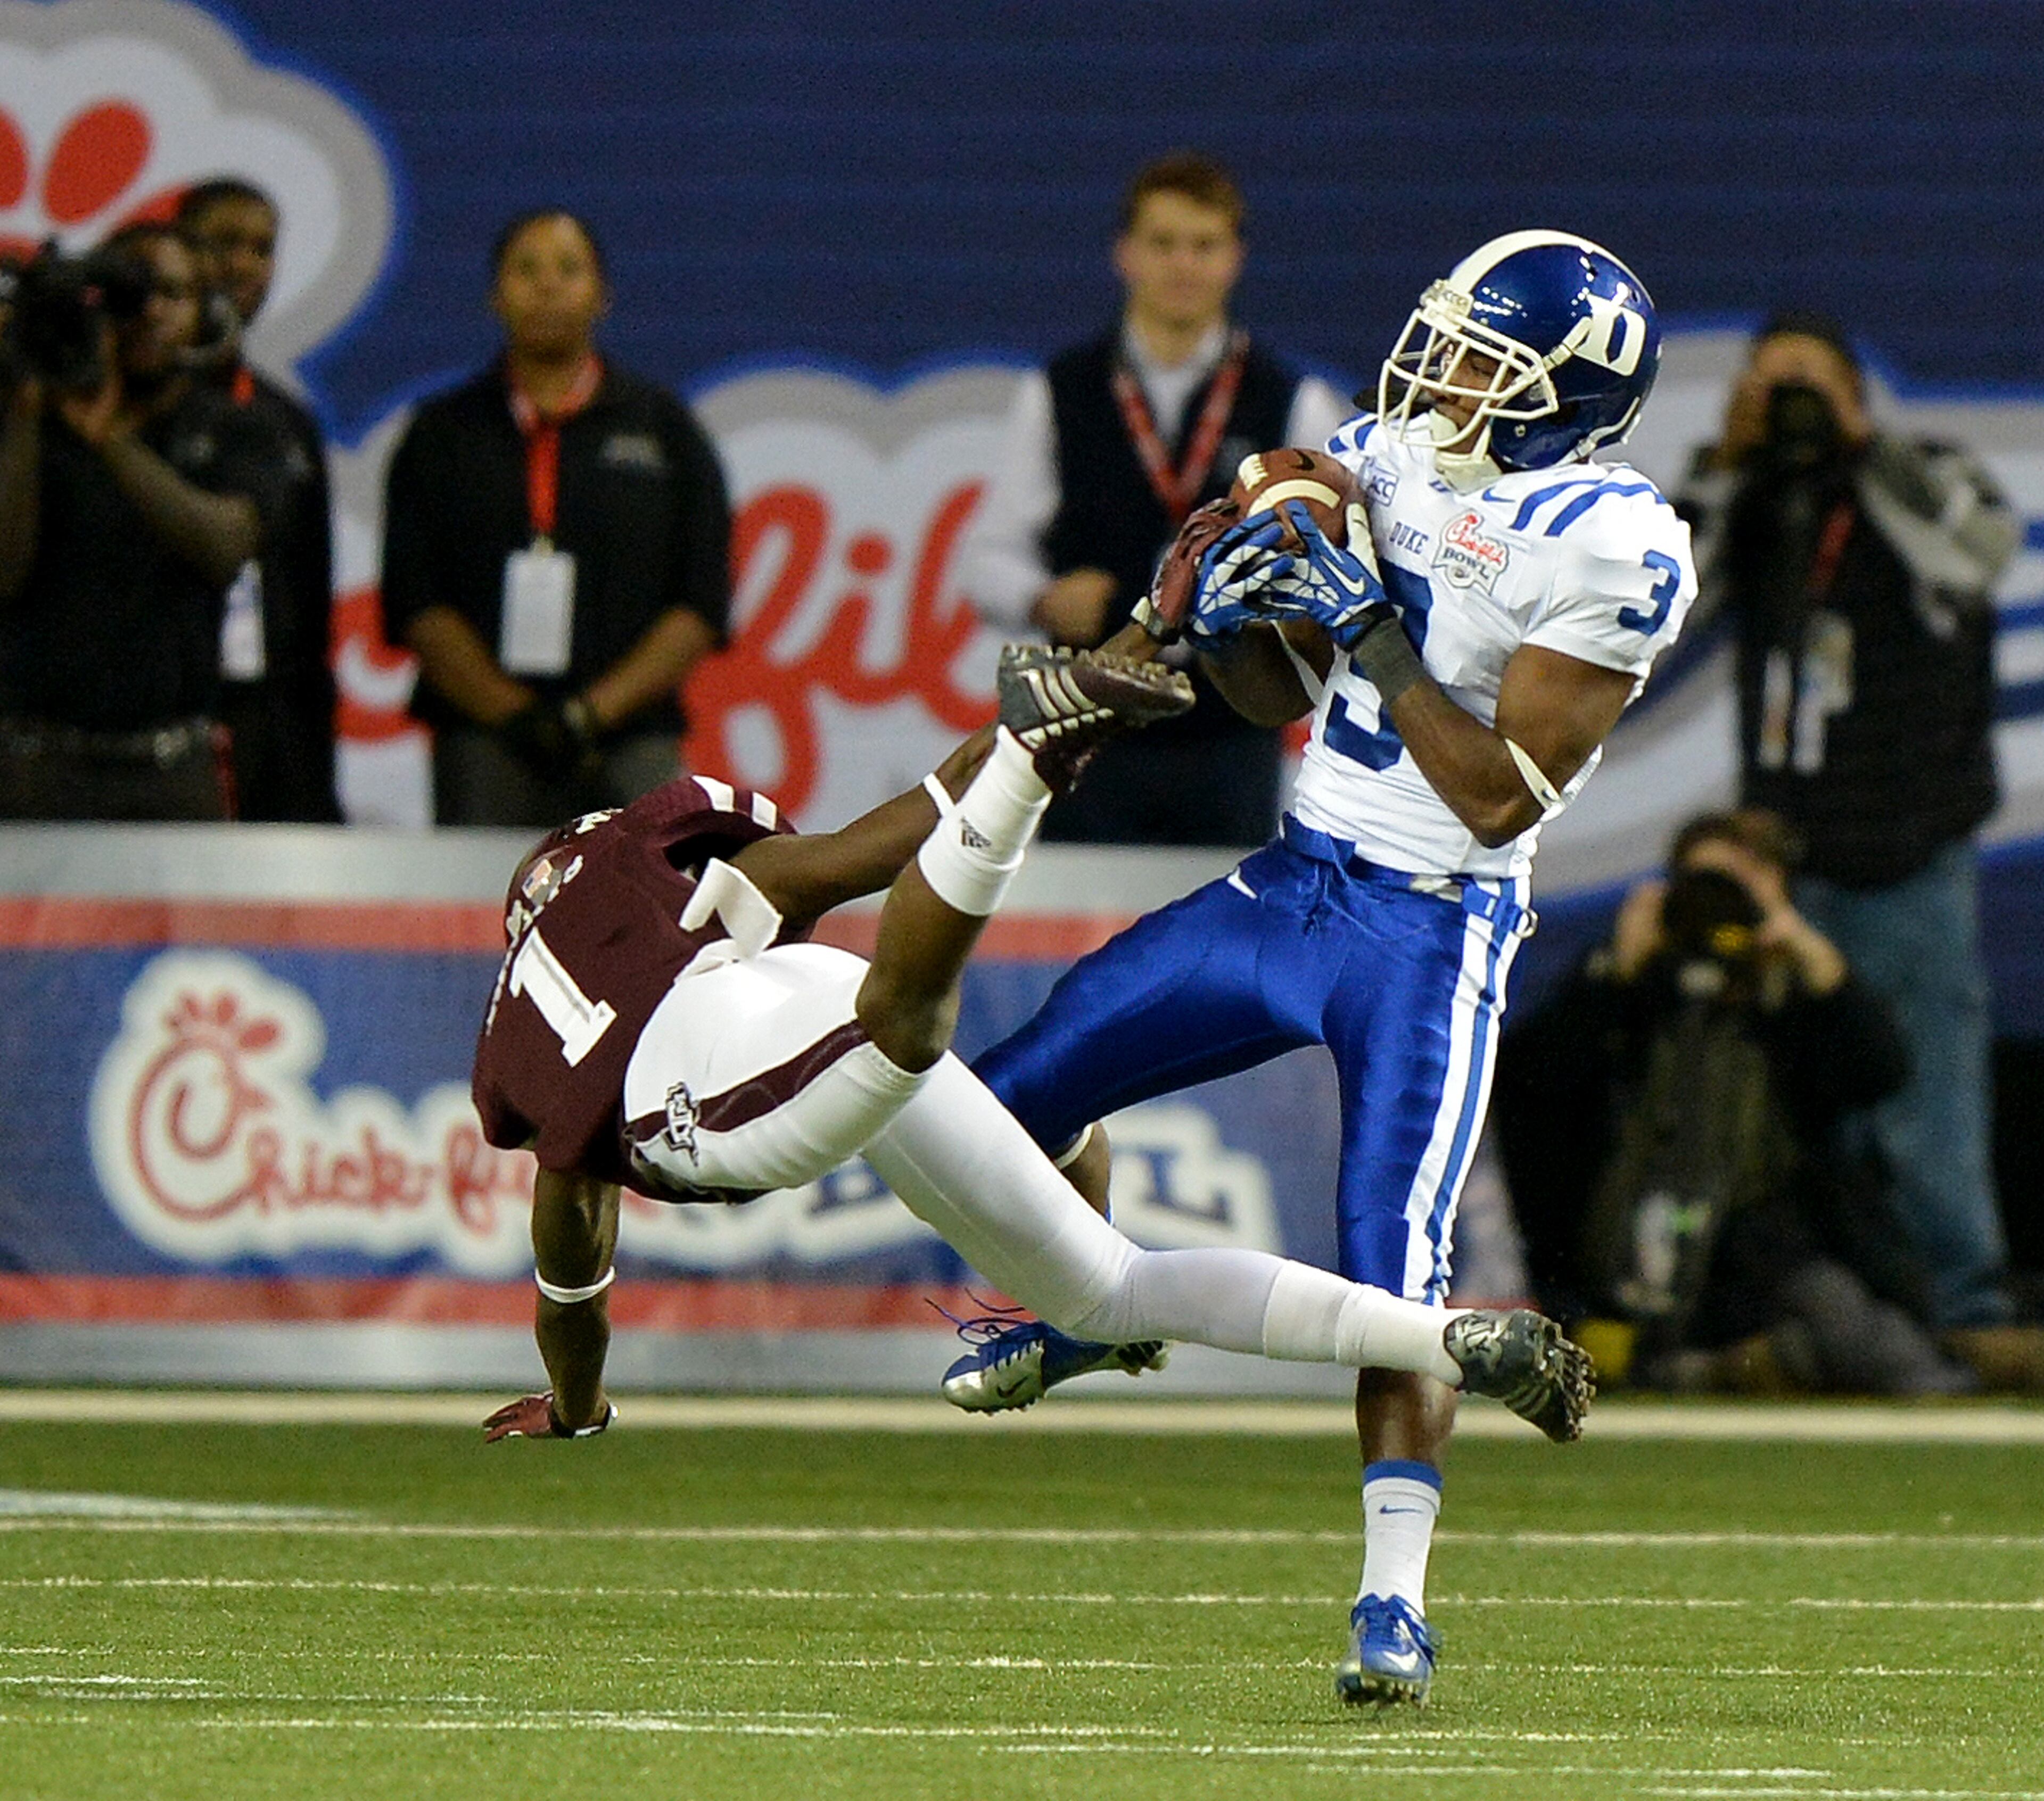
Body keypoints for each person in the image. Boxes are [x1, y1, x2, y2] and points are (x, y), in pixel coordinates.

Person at [949, 231, 1694, 1707]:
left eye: (1487, 357)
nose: (1441, 375)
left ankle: (1393, 1604)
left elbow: (1497, 796)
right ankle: (1102, 1309)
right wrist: (1250, 599)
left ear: (1567, 398)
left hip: (1433, 926)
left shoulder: (1615, 543)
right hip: (1293, 880)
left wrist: (1366, 616)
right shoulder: (1387, 453)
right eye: (1448, 339)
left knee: (1394, 1273)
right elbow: (1270, 688)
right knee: (1002, 1099)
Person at [474, 643, 1592, 1451]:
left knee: (902, 1028)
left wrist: (576, 1408)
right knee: (1105, 1290)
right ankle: (1448, 1338)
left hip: (704, 1083)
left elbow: (572, 1254)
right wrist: (1068, 690)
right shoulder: (671, 882)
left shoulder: (528, 1015)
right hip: (790, 991)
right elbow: (902, 827)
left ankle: (1032, 757)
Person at [1674, 312, 2030, 1376]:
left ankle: (1966, 1309)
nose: (1788, 407)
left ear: (1859, 397)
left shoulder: (1921, 479)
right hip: (1788, 864)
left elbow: (1983, 549)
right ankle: (1850, 1317)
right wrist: (1726, 466)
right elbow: (1662, 604)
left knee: (1928, 1100)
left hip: (1912, 850)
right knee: (1801, 1110)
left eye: (1808, 386)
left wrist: (1861, 448)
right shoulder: (1756, 503)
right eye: (1766, 386)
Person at [1493, 806, 1979, 1398]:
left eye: (1741, 886)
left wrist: (1805, 952)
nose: (1721, 904)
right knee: (1616, 1356)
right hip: (1637, 1250)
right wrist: (1613, 977)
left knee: (1872, 1345)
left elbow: (1880, 1073)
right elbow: (1532, 1085)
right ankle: (1730, 1369)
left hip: (1770, 1248)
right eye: (1704, 885)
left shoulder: (1789, 990)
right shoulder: (1637, 984)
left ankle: (1750, 1368)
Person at [961, 151, 1349, 846]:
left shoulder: (1293, 403)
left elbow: (1330, 566)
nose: (1183, 265)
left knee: (1225, 939)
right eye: (1163, 244)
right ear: (1126, 254)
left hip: (1229, 737)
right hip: (1088, 727)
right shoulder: (1060, 391)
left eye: (1204, 246)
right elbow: (990, 554)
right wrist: (1041, 599)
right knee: (1080, 941)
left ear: (1234, 258)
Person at [381, 209, 730, 827]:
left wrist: (589, 715)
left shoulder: (665, 430)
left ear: (603, 295)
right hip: (483, 741)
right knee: (481, 914)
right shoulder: (441, 434)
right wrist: (514, 715)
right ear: (494, 296)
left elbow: (700, 602)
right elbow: (417, 601)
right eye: (526, 269)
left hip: (632, 737)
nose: (547, 285)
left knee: (638, 908)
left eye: (569, 270)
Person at [0, 222, 282, 820]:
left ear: (204, 312)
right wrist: (27, 408)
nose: (150, 313)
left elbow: (224, 546)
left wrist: (112, 443)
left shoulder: (234, 426)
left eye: (174, 295)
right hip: (32, 760)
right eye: (129, 298)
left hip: (174, 766)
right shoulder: (28, 424)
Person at [178, 177, 342, 823]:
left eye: (261, 248)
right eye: (224, 243)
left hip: (273, 718)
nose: (243, 264)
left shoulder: (285, 421)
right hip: (166, 717)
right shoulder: (129, 409)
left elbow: (310, 602)